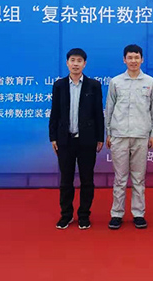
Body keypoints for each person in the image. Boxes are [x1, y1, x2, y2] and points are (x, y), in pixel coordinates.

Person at [49, 48, 104, 230]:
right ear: (67, 63)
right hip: (65, 140)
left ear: (84, 64)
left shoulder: (93, 85)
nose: (75, 64)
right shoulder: (59, 85)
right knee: (66, 180)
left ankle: (84, 215)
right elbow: (55, 113)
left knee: (87, 180)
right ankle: (66, 215)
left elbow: (98, 114)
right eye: (72, 60)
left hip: (87, 140)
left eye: (79, 61)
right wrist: (53, 137)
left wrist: (100, 137)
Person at [106, 44, 153, 230]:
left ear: (142, 59)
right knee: (120, 178)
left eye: (137, 57)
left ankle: (138, 213)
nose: (133, 61)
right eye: (130, 57)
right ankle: (117, 214)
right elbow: (109, 108)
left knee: (138, 178)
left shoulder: (150, 82)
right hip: (119, 135)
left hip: (141, 135)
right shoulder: (116, 82)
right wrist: (108, 133)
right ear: (124, 60)